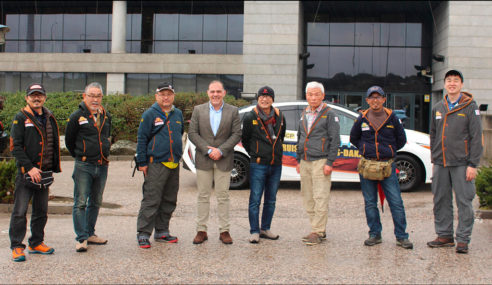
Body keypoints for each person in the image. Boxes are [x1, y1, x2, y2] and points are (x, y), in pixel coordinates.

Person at [349, 86, 413, 250]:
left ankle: (402, 236)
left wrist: (388, 151)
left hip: (387, 166)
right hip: (367, 166)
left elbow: (401, 140)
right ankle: (374, 234)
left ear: (384, 99)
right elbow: (354, 138)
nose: (375, 100)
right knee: (370, 203)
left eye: (379, 97)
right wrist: (366, 150)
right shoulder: (362, 118)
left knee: (396, 202)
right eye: (372, 97)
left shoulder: (392, 118)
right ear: (367, 100)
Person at [428, 70, 483, 254]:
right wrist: (434, 159)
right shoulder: (438, 107)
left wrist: (473, 164)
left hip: (462, 163)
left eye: (456, 81)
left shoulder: (470, 107)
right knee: (441, 199)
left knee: (464, 201)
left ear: (461, 84)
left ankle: (463, 239)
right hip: (441, 162)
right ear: (444, 84)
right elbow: (434, 134)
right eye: (449, 80)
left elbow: (476, 137)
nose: (452, 84)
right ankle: (444, 235)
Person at [9, 83, 61, 262]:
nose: (36, 98)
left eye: (39, 95)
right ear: (27, 98)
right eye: (33, 95)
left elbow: (53, 143)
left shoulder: (49, 117)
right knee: (19, 211)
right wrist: (29, 167)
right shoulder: (20, 117)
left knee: (41, 211)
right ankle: (17, 246)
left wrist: (52, 166)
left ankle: (36, 242)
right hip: (26, 173)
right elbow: (15, 147)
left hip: (44, 172)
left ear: (44, 97)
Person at [188, 80, 241, 245]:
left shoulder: (233, 111)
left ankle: (224, 231)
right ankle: (201, 230)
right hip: (204, 159)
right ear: (208, 93)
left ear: (224, 93)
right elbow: (192, 133)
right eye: (212, 92)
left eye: (218, 91)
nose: (215, 94)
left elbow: (236, 134)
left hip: (224, 160)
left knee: (223, 196)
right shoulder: (198, 110)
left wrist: (221, 150)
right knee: (203, 196)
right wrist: (209, 150)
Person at [135, 83, 184, 249]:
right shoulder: (149, 114)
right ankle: (143, 233)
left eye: (169, 94)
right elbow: (142, 139)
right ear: (156, 96)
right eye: (162, 94)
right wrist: (142, 162)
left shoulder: (177, 114)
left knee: (169, 199)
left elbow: (180, 133)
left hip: (173, 163)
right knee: (151, 199)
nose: (166, 97)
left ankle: (162, 231)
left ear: (173, 96)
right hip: (155, 163)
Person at [65, 82, 112, 252]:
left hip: (102, 165)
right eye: (91, 95)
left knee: (96, 201)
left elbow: (107, 137)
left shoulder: (106, 116)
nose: (95, 99)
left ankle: (90, 233)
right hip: (84, 165)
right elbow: (69, 141)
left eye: (98, 95)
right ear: (84, 96)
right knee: (81, 202)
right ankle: (81, 237)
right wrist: (80, 155)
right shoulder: (77, 116)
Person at [296, 81, 340, 246]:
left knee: (321, 197)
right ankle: (317, 228)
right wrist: (298, 158)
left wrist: (330, 162)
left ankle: (318, 231)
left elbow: (335, 140)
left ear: (323, 96)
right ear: (306, 96)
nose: (313, 97)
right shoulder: (304, 112)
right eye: (310, 94)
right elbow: (301, 136)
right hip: (305, 160)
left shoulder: (329, 114)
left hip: (321, 161)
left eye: (316, 94)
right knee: (308, 197)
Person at [241, 86, 286, 243]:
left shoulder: (280, 116)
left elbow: (282, 136)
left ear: (273, 99)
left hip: (275, 164)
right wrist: (255, 153)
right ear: (258, 98)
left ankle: (265, 228)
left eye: (268, 97)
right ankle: (254, 231)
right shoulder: (250, 116)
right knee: (255, 199)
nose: (264, 99)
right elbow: (245, 139)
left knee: (271, 199)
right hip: (258, 165)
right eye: (261, 96)